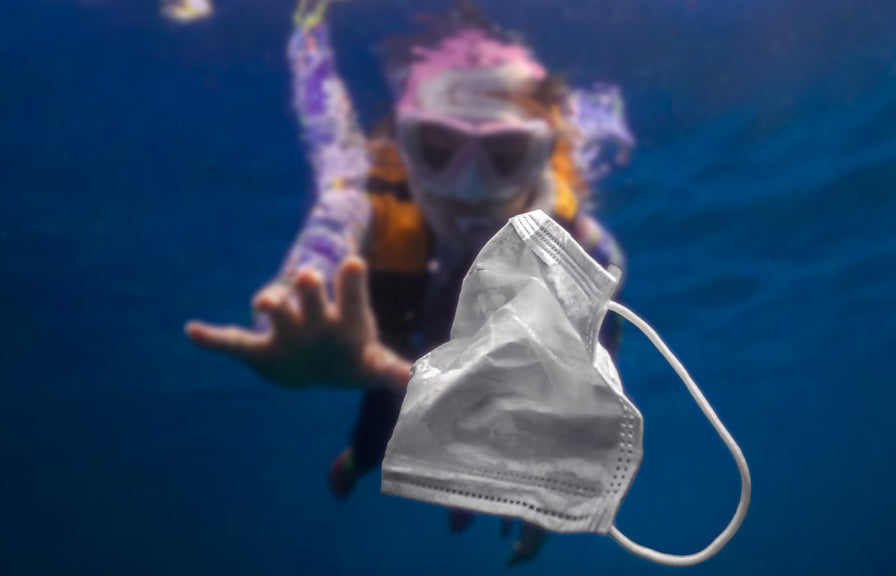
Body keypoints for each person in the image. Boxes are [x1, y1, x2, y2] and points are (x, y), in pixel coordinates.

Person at [185, 0, 633, 566]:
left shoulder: (582, 246)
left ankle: (466, 493)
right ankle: (354, 462)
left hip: (485, 351)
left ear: (544, 154)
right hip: (389, 348)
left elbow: (592, 372)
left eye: (506, 152)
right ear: (403, 141)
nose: (468, 190)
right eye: (438, 148)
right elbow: (314, 261)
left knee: (494, 424)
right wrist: (288, 328)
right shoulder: (360, 186)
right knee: (378, 430)